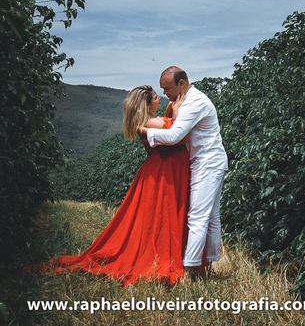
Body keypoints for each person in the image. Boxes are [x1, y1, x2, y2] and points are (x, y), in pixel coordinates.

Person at [46, 85, 190, 286]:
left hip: (161, 170)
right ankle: (161, 257)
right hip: (164, 171)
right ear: (147, 105)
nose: (161, 99)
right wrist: (177, 111)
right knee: (162, 216)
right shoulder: (153, 121)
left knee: (157, 217)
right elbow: (180, 133)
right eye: (156, 97)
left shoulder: (149, 120)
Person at [138, 66, 229, 278]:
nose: (165, 94)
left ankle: (189, 270)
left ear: (182, 83)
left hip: (207, 163)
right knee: (211, 217)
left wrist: (144, 131)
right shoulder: (185, 100)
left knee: (197, 217)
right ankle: (206, 266)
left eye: (167, 89)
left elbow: (174, 136)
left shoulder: (194, 102)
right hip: (209, 162)